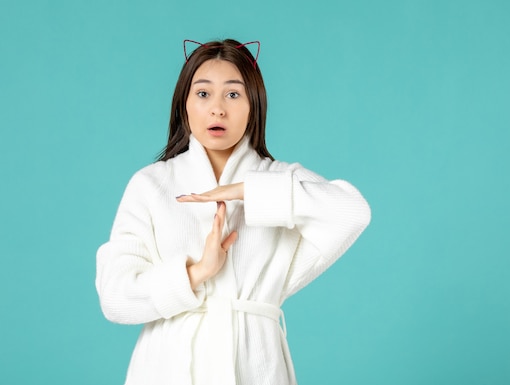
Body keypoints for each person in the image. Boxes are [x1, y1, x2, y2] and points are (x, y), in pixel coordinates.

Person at [95, 38, 371, 385]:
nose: (218, 109)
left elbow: (352, 213)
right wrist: (196, 273)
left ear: (254, 105)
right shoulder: (151, 184)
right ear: (184, 105)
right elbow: (116, 297)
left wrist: (250, 191)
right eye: (203, 93)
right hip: (167, 367)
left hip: (256, 366)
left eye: (233, 94)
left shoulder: (280, 180)